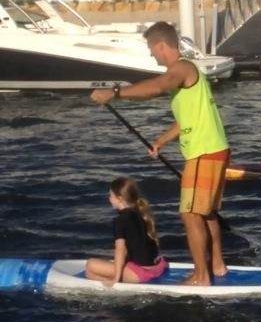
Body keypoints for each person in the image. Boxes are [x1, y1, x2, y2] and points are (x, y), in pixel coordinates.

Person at [90, 21, 230, 286]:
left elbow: (158, 85)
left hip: (204, 151)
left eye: (151, 48)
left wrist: (115, 92)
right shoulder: (187, 74)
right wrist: (160, 142)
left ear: (161, 45)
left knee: (190, 214)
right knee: (205, 211)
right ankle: (217, 265)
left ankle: (201, 277)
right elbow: (186, 120)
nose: (151, 53)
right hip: (213, 149)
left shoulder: (182, 68)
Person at [86, 177, 167, 286]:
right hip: (158, 267)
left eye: (111, 196)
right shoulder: (141, 212)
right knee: (113, 264)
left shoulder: (121, 220)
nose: (109, 198)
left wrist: (116, 277)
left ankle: (116, 286)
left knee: (90, 266)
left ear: (119, 199)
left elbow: (120, 249)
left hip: (140, 274)